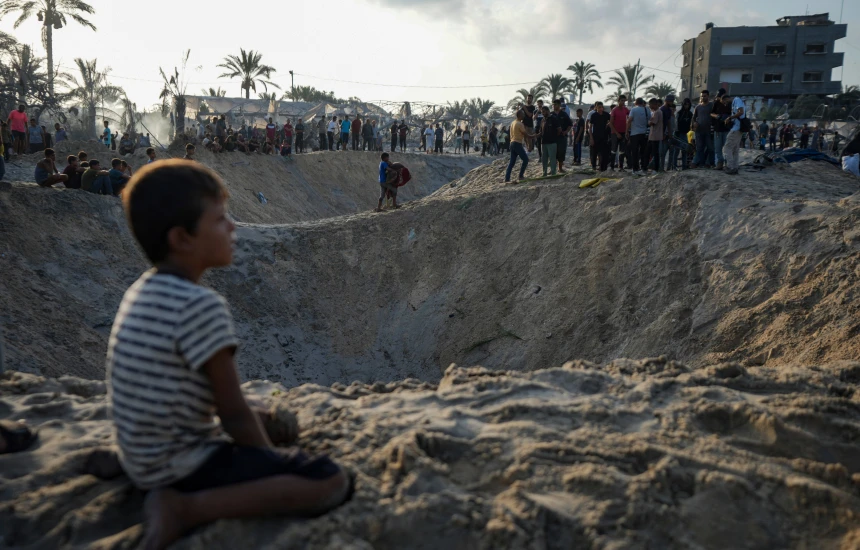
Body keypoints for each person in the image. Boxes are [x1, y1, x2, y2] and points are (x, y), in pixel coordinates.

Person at [111, 161, 351, 550]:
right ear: (182, 238)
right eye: (221, 219)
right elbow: (233, 414)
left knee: (263, 412)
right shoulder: (200, 306)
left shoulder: (140, 291)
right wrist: (268, 467)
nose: (233, 227)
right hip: (179, 466)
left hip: (140, 455)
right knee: (329, 479)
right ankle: (184, 509)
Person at [505, 109, 533, 183]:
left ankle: (507, 178)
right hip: (517, 143)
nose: (524, 115)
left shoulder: (513, 123)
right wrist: (534, 136)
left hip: (512, 143)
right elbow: (526, 134)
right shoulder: (520, 124)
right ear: (520, 115)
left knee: (512, 162)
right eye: (523, 114)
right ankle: (520, 176)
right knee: (525, 160)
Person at [625, 98, 649, 175]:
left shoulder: (633, 110)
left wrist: (626, 131)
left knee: (634, 152)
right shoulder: (646, 109)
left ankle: (635, 169)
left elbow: (629, 120)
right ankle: (644, 168)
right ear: (642, 103)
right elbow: (649, 120)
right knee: (643, 152)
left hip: (634, 134)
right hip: (644, 133)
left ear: (636, 103)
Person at [723, 93, 745, 175]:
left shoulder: (736, 100)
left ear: (726, 99)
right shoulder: (735, 102)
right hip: (738, 128)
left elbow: (741, 112)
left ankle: (730, 167)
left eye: (724, 102)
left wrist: (730, 117)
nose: (725, 104)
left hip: (736, 128)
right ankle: (735, 167)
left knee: (727, 148)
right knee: (735, 149)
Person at [691, 90, 714, 168]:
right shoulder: (698, 107)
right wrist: (694, 123)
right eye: (702, 96)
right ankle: (701, 164)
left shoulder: (711, 105)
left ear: (708, 96)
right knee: (699, 148)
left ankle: (710, 163)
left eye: (705, 96)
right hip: (699, 131)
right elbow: (693, 118)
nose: (703, 97)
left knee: (710, 148)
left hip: (709, 131)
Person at [588, 102, 612, 172]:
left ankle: (602, 168)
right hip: (595, 136)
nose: (600, 108)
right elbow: (590, 127)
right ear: (596, 107)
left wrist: (608, 125)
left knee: (604, 153)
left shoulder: (606, 114)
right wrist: (591, 138)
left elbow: (611, 122)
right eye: (599, 107)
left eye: (601, 107)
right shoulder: (594, 115)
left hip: (604, 137)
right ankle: (593, 167)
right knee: (594, 153)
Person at [609, 96, 630, 171]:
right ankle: (612, 167)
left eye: (624, 101)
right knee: (614, 150)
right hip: (615, 133)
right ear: (618, 101)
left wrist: (627, 131)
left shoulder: (625, 109)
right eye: (622, 101)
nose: (623, 102)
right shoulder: (614, 110)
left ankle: (621, 167)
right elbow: (610, 123)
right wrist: (617, 133)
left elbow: (630, 116)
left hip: (623, 132)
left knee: (622, 151)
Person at [711, 89, 730, 170]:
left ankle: (727, 164)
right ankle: (720, 163)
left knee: (726, 147)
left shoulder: (730, 104)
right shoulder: (716, 103)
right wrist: (717, 116)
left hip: (727, 129)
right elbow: (711, 113)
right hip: (718, 129)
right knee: (718, 147)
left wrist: (728, 117)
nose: (719, 98)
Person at [673, 98, 693, 171]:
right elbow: (676, 124)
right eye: (685, 104)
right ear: (683, 104)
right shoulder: (679, 113)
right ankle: (674, 166)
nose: (686, 106)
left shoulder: (690, 114)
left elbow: (691, 123)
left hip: (686, 134)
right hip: (678, 133)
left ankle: (684, 166)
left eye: (688, 104)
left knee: (685, 150)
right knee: (676, 151)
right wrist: (676, 133)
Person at [538, 106, 559, 176]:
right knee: (544, 159)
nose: (543, 113)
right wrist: (534, 135)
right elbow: (541, 132)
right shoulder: (542, 120)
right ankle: (544, 173)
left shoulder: (554, 118)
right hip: (543, 142)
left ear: (547, 111)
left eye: (543, 112)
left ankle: (553, 173)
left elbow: (559, 129)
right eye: (542, 112)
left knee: (552, 159)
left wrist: (554, 138)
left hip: (552, 143)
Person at [553, 99, 572, 173]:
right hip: (553, 138)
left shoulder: (564, 114)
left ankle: (560, 168)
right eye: (553, 104)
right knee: (553, 153)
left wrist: (566, 131)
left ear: (559, 105)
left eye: (556, 104)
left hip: (562, 137)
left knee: (561, 153)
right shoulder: (551, 114)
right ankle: (553, 168)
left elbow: (570, 124)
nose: (554, 106)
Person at [659, 95, 676, 171]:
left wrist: (669, 133)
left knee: (669, 152)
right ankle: (661, 168)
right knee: (662, 152)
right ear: (667, 101)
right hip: (660, 133)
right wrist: (662, 133)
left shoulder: (669, 110)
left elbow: (668, 122)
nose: (672, 102)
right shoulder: (661, 110)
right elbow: (660, 123)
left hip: (666, 134)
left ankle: (668, 168)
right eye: (671, 101)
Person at [647, 98, 664, 174]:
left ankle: (655, 169)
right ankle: (652, 168)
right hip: (654, 135)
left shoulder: (657, 112)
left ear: (654, 104)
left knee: (655, 153)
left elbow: (652, 123)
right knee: (652, 152)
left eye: (650, 104)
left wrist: (648, 121)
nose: (649, 106)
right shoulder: (656, 112)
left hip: (655, 136)